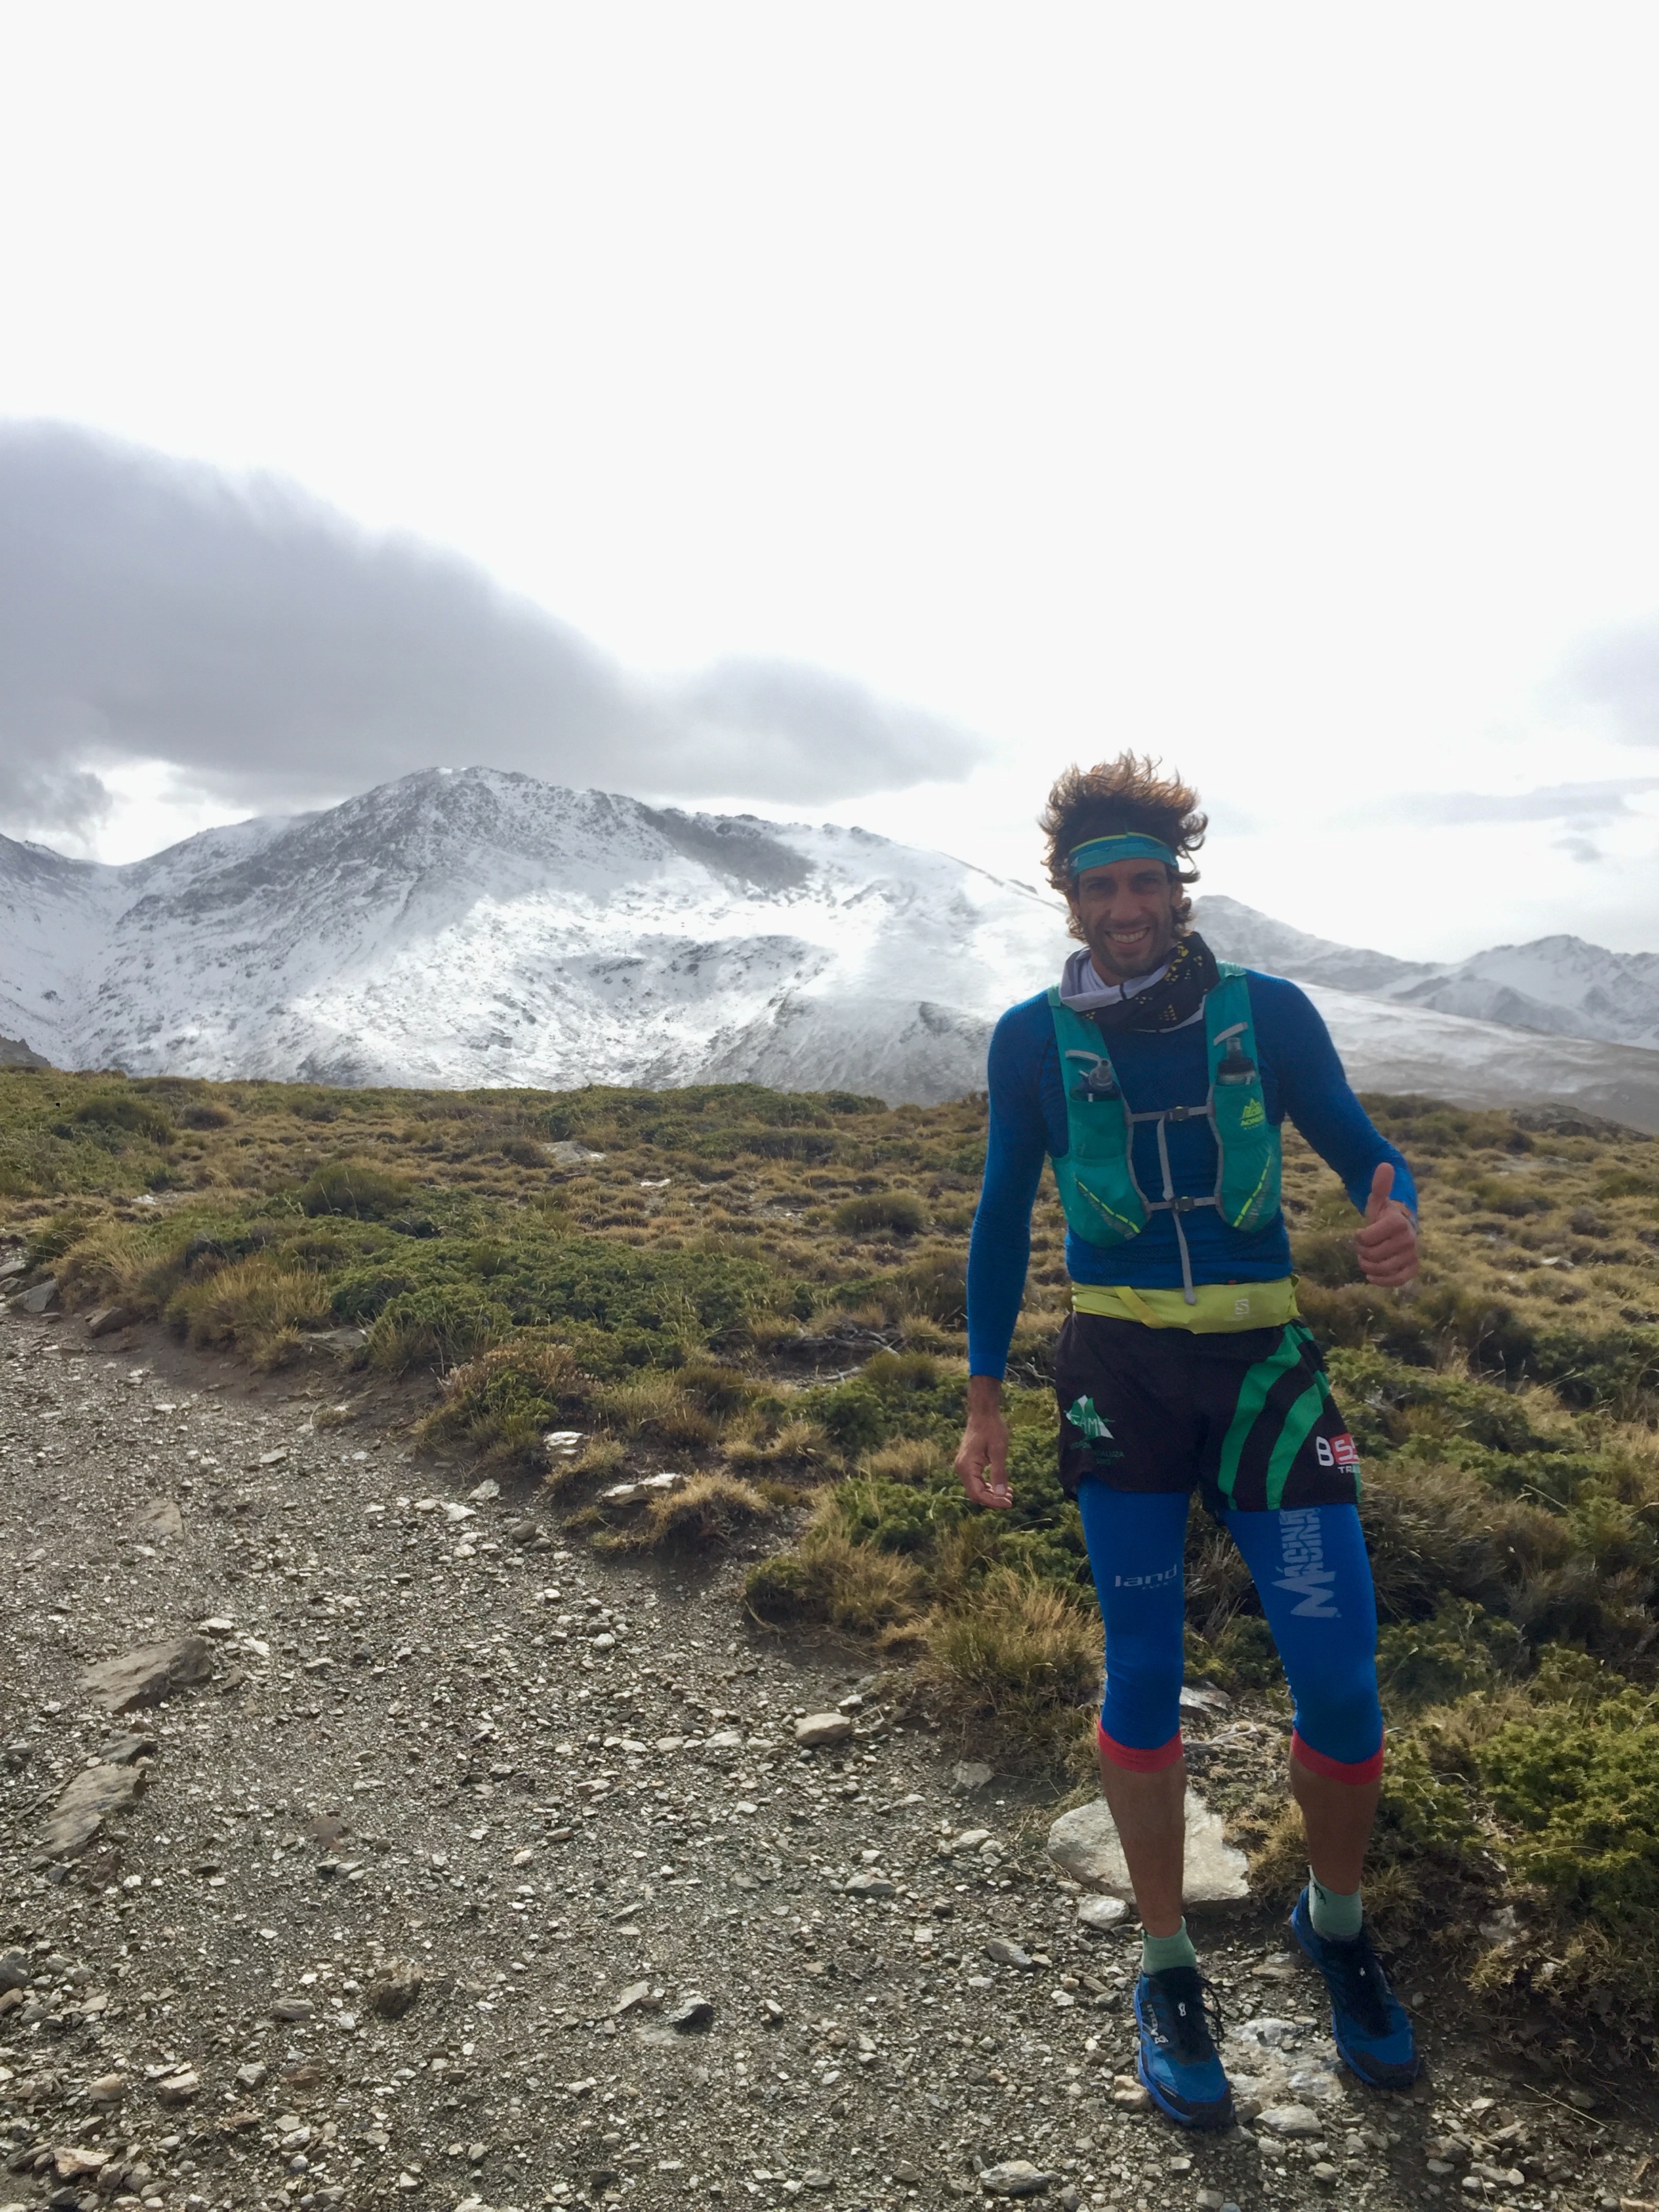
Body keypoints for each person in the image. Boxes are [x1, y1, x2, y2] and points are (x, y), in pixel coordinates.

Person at [954, 755, 1422, 2130]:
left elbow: (1365, 1149)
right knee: (1146, 1673)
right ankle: (1166, 1966)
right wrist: (982, 1396)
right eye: (1100, 885)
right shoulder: (1030, 1042)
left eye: (1145, 881)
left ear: (1179, 885)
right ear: (1071, 896)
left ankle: (1335, 1926)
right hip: (1120, 1377)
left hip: (1266, 1370)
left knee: (1339, 1683)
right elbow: (1000, 1217)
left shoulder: (1269, 1015)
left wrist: (1392, 1209)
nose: (1126, 907)